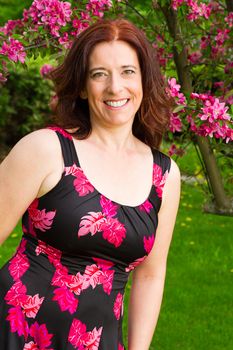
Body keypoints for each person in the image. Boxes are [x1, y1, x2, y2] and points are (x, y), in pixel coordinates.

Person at [0, 18, 180, 350]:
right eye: (99, 74)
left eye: (128, 71)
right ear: (83, 86)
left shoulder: (164, 176)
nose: (115, 87)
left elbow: (151, 275)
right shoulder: (46, 149)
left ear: (144, 80)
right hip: (14, 330)